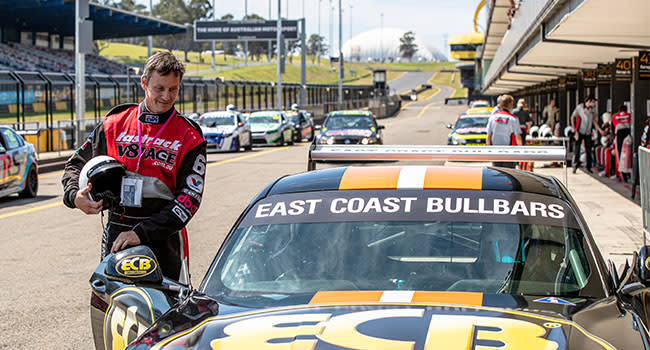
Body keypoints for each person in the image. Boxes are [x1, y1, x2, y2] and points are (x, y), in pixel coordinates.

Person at [61, 52, 207, 283]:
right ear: (144, 82)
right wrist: (73, 196)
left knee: (168, 311)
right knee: (111, 305)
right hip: (118, 229)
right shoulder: (114, 123)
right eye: (159, 88)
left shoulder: (190, 136)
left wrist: (141, 233)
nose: (166, 96)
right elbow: (75, 164)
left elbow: (189, 200)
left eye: (173, 89)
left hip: (164, 236)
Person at [486, 94, 522, 168]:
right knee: (509, 174)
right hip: (509, 152)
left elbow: (488, 136)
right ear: (510, 105)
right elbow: (517, 137)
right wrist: (520, 151)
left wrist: (489, 150)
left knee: (496, 173)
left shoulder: (492, 117)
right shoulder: (513, 119)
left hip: (495, 152)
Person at [571, 94, 603, 174]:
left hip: (588, 132)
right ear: (588, 101)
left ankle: (588, 167)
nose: (593, 104)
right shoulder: (580, 107)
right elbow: (573, 116)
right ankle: (575, 166)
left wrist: (600, 130)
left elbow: (594, 120)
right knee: (577, 149)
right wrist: (573, 127)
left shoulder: (593, 109)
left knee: (588, 149)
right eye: (592, 102)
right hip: (580, 131)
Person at [611, 105, 631, 180]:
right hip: (628, 134)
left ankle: (622, 174)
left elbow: (613, 129)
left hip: (619, 135)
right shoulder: (629, 115)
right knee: (628, 153)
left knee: (620, 154)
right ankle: (629, 172)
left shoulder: (614, 116)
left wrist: (614, 137)